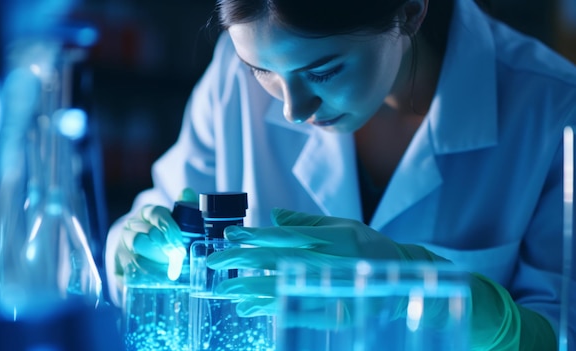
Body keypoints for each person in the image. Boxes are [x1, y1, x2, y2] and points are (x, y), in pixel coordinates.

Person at [105, 0, 576, 349]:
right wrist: (136, 248)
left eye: (325, 71)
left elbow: (560, 335)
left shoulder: (553, 110)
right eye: (260, 70)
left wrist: (427, 292)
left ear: (411, 11)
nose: (292, 109)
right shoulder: (231, 80)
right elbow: (151, 228)